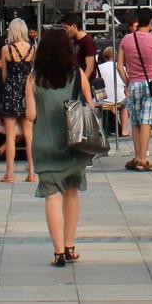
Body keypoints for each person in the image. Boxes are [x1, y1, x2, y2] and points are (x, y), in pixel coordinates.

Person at [31, 26, 96, 264]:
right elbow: (90, 104)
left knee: (52, 196)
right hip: (74, 144)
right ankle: (69, 247)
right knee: (72, 193)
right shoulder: (77, 74)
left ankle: (57, 252)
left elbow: (30, 114)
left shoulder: (35, 77)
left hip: (45, 143)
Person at [118, 12, 152, 172]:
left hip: (134, 83)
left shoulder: (126, 39)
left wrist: (128, 82)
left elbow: (119, 66)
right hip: (151, 83)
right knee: (146, 120)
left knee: (136, 121)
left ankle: (137, 156)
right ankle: (143, 159)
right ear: (151, 21)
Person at [0, 19, 36, 183]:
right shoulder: (33, 48)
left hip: (11, 90)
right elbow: (34, 72)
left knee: (10, 136)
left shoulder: (6, 49)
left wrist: (11, 82)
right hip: (28, 92)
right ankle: (32, 173)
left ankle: (9, 174)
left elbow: (4, 75)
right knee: (29, 135)